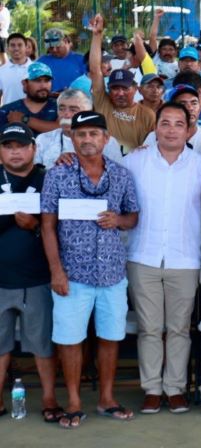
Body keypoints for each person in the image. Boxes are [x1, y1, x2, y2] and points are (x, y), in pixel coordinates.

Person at [40, 111, 141, 428]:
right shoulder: (57, 175)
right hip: (72, 274)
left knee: (110, 337)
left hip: (111, 273)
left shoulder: (122, 175)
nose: (87, 139)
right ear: (72, 137)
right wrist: (56, 271)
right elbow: (47, 226)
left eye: (94, 134)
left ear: (105, 139)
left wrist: (119, 220)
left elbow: (133, 217)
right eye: (81, 134)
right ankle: (72, 401)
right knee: (70, 340)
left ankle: (107, 399)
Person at [123, 103, 201, 415]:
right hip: (143, 256)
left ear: (188, 130)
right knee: (149, 327)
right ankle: (151, 388)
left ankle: (174, 389)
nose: (171, 129)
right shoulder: (135, 162)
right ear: (155, 127)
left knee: (178, 328)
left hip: (185, 258)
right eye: (165, 123)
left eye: (178, 124)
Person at [0, 123, 62, 423]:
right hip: (0, 280)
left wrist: (35, 225)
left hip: (38, 278)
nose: (15, 152)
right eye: (9, 146)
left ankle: (49, 397)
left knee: (42, 344)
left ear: (33, 150)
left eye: (21, 146)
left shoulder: (48, 179)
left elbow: (62, 225)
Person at [88, 15, 156, 152]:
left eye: (125, 88)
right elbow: (95, 70)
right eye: (115, 88)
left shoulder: (147, 115)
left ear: (136, 89)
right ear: (108, 88)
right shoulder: (103, 103)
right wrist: (97, 35)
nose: (120, 93)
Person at [34, 89, 123, 165]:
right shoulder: (43, 140)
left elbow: (117, 175)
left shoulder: (107, 142)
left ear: (88, 112)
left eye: (73, 110)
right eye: (61, 109)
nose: (66, 114)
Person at [143, 82, 201, 156]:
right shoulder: (154, 136)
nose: (190, 108)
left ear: (200, 108)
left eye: (194, 103)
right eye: (183, 104)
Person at [0, 62, 59, 133]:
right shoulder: (7, 110)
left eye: (47, 81)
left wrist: (24, 119)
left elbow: (63, 129)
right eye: (37, 80)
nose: (43, 86)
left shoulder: (61, 106)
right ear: (24, 83)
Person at [37, 28, 86, 92]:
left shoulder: (81, 60)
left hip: (77, 99)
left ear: (65, 41)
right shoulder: (42, 62)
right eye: (51, 48)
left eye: (58, 46)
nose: (54, 50)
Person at [0, 33, 32, 105]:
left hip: (32, 115)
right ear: (7, 48)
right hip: (8, 114)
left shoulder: (36, 68)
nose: (16, 48)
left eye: (20, 45)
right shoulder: (1, 71)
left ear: (26, 47)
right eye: (12, 45)